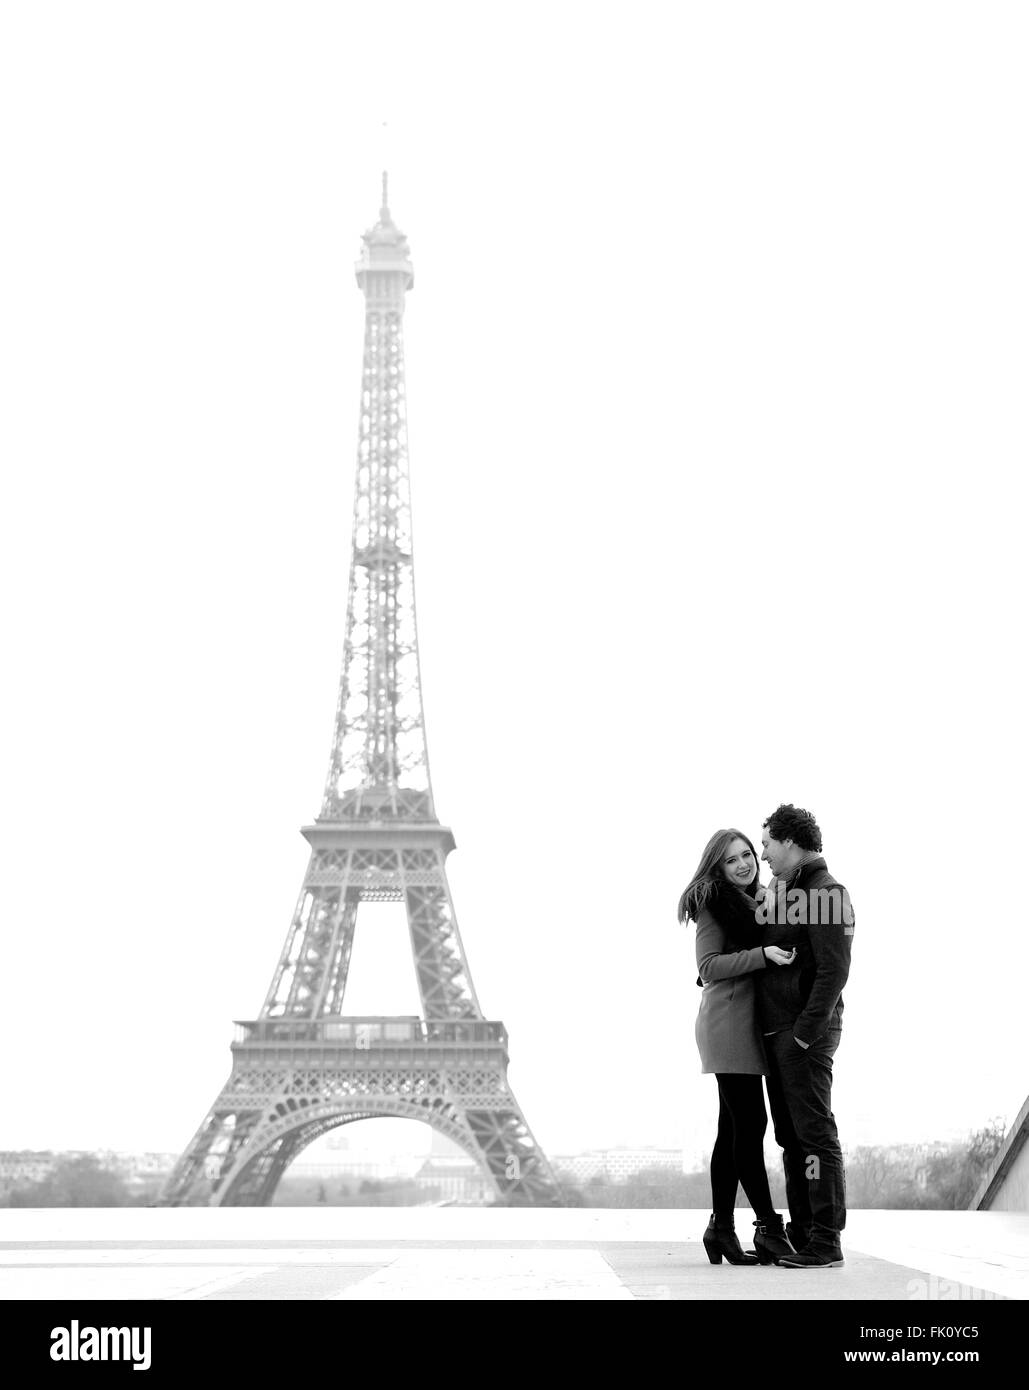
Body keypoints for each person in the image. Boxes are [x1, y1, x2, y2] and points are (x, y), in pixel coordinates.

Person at [678, 828, 796, 1266]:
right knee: (751, 1124)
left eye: (748, 854)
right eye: (732, 860)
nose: (744, 864)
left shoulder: (760, 902)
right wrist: (763, 957)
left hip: (749, 1022)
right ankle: (767, 1225)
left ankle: (721, 1229)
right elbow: (707, 967)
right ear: (717, 866)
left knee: (732, 1130)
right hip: (727, 1022)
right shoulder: (715, 904)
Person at [756, 803, 854, 1269]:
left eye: (768, 845)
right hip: (783, 1030)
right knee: (792, 1137)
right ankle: (803, 1232)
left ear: (789, 842)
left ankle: (825, 1239)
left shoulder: (827, 891)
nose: (764, 854)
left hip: (803, 1033)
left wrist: (803, 1034)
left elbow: (834, 970)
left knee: (814, 1134)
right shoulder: (791, 892)